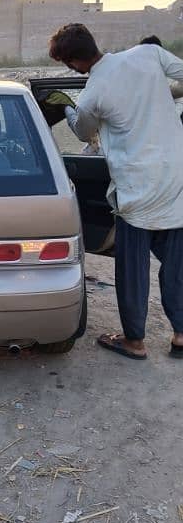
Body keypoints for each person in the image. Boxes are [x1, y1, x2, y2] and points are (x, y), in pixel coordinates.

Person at [46, 23, 183, 361]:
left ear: (72, 63)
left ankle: (134, 341)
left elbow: (82, 131)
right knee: (177, 262)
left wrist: (66, 107)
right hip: (176, 177)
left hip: (137, 187)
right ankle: (181, 334)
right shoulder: (148, 54)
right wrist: (168, 95)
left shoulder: (94, 91)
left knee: (133, 268)